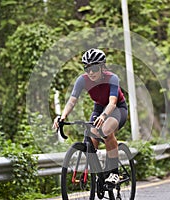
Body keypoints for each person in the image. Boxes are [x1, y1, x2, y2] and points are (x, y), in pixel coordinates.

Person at [53, 48, 128, 185]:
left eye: (94, 68)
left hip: (117, 108)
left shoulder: (112, 78)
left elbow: (112, 102)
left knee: (106, 131)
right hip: (99, 107)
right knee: (91, 137)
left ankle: (114, 173)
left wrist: (104, 116)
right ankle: (97, 172)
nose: (91, 72)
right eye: (87, 69)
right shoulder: (82, 80)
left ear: (102, 67)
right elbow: (72, 101)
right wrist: (62, 117)